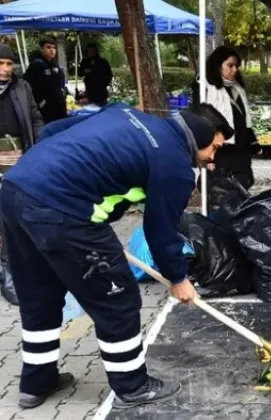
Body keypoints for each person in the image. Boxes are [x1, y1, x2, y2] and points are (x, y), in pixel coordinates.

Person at [1, 102, 232, 410]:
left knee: (39, 294)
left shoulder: (126, 113)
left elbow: (55, 130)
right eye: (213, 149)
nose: (212, 158)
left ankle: (36, 383)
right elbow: (160, 230)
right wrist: (178, 278)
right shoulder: (175, 164)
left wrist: (48, 172)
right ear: (198, 140)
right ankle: (133, 386)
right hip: (64, 211)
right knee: (118, 299)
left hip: (16, 189)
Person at [193, 46, 256, 190]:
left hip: (240, 150)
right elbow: (201, 121)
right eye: (230, 65)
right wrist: (209, 159)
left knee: (241, 188)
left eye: (236, 66)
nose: (234, 70)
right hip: (220, 150)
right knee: (220, 192)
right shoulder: (204, 88)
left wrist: (252, 141)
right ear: (218, 66)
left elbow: (244, 118)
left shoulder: (238, 88)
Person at [0, 43, 44, 153]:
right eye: (0, 63)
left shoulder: (23, 88)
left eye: (9, 64)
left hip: (20, 151)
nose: (5, 68)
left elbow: (35, 118)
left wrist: (41, 141)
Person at [24, 37, 67, 124]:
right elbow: (27, 85)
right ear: (42, 49)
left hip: (59, 105)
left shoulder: (54, 63)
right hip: (47, 109)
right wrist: (41, 102)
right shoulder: (36, 65)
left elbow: (61, 80)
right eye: (48, 47)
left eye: (54, 48)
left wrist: (63, 91)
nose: (52, 50)